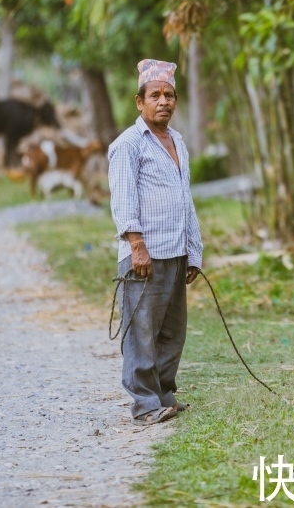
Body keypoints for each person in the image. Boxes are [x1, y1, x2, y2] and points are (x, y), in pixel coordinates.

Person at [108, 59, 203, 425]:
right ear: (139, 102)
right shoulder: (128, 144)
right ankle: (145, 404)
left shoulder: (177, 141)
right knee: (141, 332)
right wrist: (136, 246)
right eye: (155, 95)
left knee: (172, 330)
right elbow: (124, 198)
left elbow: (185, 198)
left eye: (169, 95)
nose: (163, 101)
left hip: (175, 252)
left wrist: (193, 251)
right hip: (144, 255)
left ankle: (164, 394)